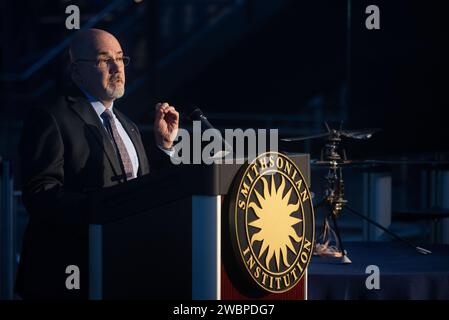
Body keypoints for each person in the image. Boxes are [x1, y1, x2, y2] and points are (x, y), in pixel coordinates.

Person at [15, 28, 179, 299]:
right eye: (104, 60)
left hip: (121, 272)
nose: (117, 67)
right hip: (67, 278)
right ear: (77, 72)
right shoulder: (50, 116)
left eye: (120, 58)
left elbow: (144, 190)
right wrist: (106, 206)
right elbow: (40, 195)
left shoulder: (128, 126)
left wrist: (164, 147)